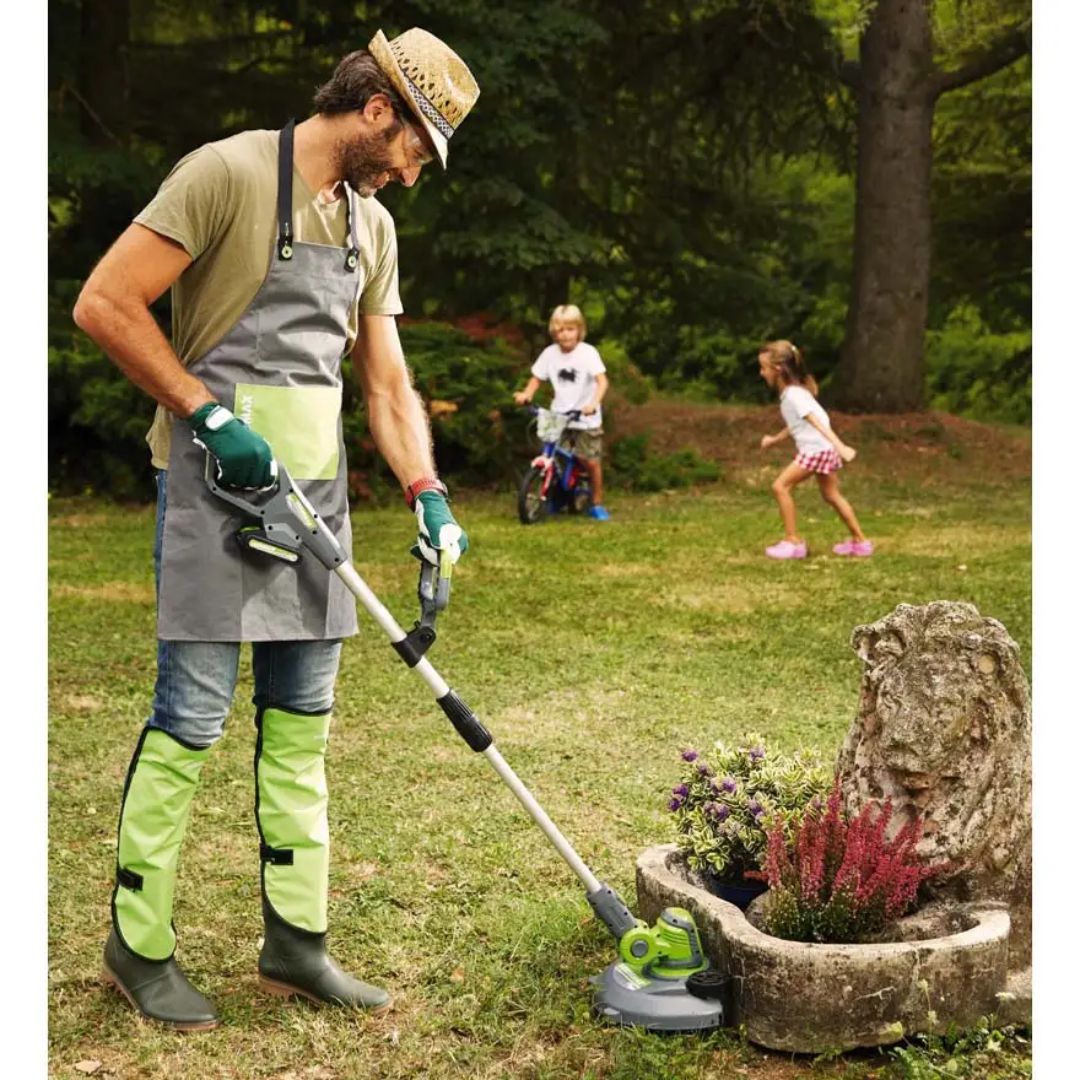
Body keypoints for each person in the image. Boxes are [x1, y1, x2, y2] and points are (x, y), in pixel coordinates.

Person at [71, 28, 480, 1031]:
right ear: (377, 109)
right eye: (415, 147)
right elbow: (106, 303)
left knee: (302, 727)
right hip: (213, 493)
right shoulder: (227, 174)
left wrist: (426, 488)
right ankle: (137, 945)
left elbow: (386, 384)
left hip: (313, 505)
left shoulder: (371, 227)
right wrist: (207, 415)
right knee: (191, 721)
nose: (413, 173)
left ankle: (297, 946)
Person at [757, 340, 872, 559]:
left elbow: (816, 422)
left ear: (778, 368)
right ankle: (861, 542)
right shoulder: (796, 393)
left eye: (764, 368)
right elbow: (797, 424)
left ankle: (793, 542)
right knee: (831, 495)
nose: (761, 373)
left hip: (816, 450)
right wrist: (774, 440)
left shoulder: (793, 395)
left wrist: (840, 446)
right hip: (823, 449)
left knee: (780, 486)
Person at [513, 305, 611, 520]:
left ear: (579, 330)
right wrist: (527, 394)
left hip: (585, 418)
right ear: (554, 332)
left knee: (590, 461)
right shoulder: (550, 354)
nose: (565, 334)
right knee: (555, 458)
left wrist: (593, 404)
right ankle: (557, 497)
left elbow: (602, 382)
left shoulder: (588, 353)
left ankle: (596, 502)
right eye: (560, 330)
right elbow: (536, 378)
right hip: (558, 416)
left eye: (570, 329)